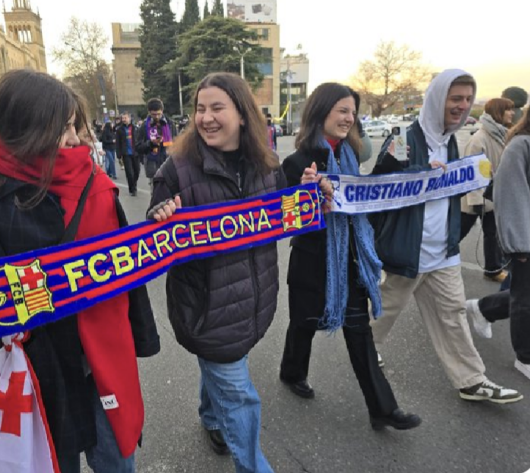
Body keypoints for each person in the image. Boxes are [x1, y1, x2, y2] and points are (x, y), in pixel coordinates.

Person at [0, 69, 160, 473]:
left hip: (101, 354)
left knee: (116, 458)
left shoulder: (93, 181)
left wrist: (140, 334)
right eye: (63, 128)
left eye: (74, 127)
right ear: (30, 128)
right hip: (35, 365)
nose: (75, 140)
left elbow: (122, 268)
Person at [148, 72, 330, 473]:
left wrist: (308, 192)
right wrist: (160, 214)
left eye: (217, 108)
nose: (206, 118)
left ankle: (210, 417)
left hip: (253, 304)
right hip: (206, 311)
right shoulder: (177, 169)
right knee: (240, 397)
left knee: (222, 367)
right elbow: (152, 227)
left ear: (243, 115)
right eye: (200, 109)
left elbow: (286, 210)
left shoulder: (267, 165)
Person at [370, 69, 523, 404]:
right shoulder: (404, 140)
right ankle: (363, 351)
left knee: (452, 314)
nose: (462, 106)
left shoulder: (451, 141)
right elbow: (378, 186)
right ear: (438, 98)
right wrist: (418, 175)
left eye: (468, 99)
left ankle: (471, 380)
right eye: (456, 99)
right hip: (408, 250)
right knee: (384, 311)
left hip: (444, 252)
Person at [278, 83, 421, 431]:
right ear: (321, 112)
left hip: (350, 261)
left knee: (360, 332)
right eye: (342, 110)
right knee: (303, 324)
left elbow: (361, 202)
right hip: (312, 262)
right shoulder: (296, 162)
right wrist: (305, 193)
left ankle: (382, 408)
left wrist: (389, 168)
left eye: (352, 113)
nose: (349, 118)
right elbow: (286, 221)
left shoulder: (350, 157)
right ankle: (292, 371)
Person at [492, 106, 530, 381]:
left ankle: (481, 310)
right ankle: (525, 357)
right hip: (527, 238)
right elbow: (511, 195)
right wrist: (519, 244)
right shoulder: (520, 145)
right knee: (525, 299)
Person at [460, 98, 515, 283]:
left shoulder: (502, 134)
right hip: (479, 198)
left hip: (494, 196)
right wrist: (476, 201)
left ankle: (492, 269)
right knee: (457, 232)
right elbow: (472, 172)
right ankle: (434, 259)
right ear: (498, 112)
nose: (512, 113)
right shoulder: (480, 139)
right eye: (508, 110)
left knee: (493, 234)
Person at [136, 98, 177, 192]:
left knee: (170, 193)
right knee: (156, 194)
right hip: (152, 164)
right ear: (149, 112)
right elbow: (138, 147)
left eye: (159, 114)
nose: (157, 116)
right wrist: (150, 143)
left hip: (168, 162)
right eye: (154, 114)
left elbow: (177, 142)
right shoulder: (144, 126)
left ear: (162, 111)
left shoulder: (170, 124)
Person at [115, 112, 140, 196]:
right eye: (123, 118)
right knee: (129, 172)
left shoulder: (135, 128)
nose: (124, 120)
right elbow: (117, 143)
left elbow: (139, 140)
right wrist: (118, 154)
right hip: (126, 153)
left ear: (129, 118)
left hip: (135, 152)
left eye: (125, 118)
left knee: (137, 171)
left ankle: (134, 184)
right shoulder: (119, 130)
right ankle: (132, 189)